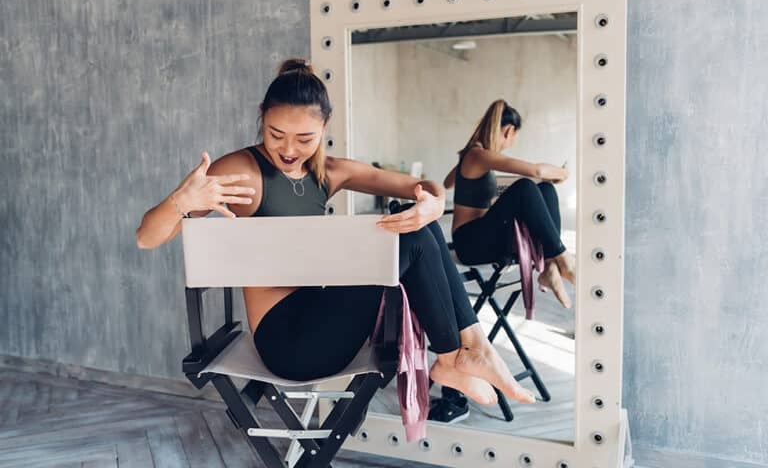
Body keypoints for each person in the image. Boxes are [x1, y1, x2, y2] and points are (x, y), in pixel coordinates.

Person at [135, 59, 536, 407]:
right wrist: (180, 201)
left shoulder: (331, 173)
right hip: (288, 343)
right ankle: (459, 355)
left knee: (415, 221)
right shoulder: (243, 172)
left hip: (328, 319)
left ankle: (463, 353)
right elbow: (147, 238)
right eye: (276, 134)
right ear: (262, 116)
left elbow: (426, 186)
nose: (289, 149)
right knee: (410, 235)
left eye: (305, 138)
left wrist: (431, 203)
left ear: (325, 126)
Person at [444, 99, 575, 308]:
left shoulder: (473, 155)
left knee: (546, 189)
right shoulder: (478, 155)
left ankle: (550, 266)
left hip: (483, 237)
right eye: (514, 137)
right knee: (525, 187)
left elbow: (448, 182)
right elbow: (536, 171)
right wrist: (563, 173)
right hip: (469, 244)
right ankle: (563, 258)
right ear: (509, 131)